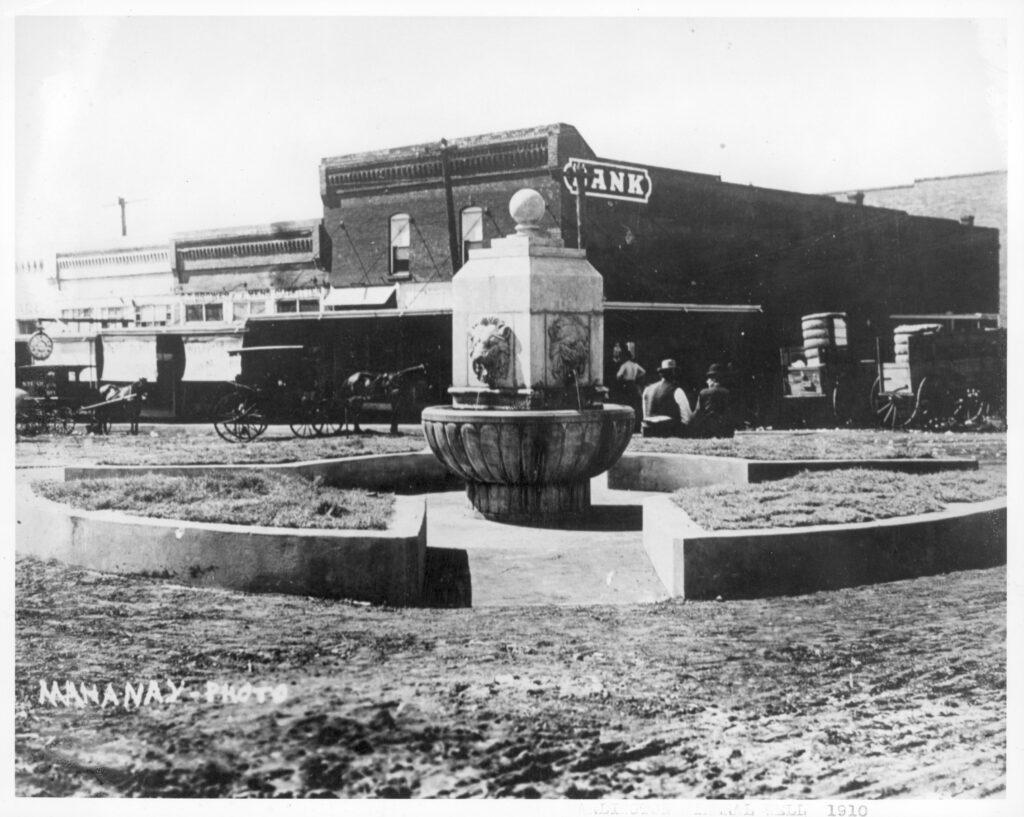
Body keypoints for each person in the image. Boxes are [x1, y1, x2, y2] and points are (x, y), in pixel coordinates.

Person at [641, 358, 693, 437]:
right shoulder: (677, 390)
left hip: (648, 429)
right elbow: (687, 418)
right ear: (675, 373)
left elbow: (645, 415)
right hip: (667, 430)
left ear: (661, 373)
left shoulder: (647, 389)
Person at [690, 363, 737, 438]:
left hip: (707, 431)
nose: (707, 381)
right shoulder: (727, 393)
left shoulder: (703, 393)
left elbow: (697, 413)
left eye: (708, 379)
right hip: (724, 430)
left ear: (713, 379)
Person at [615, 349, 646, 431]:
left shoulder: (624, 365)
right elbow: (643, 372)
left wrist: (621, 379)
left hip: (627, 385)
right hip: (634, 384)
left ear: (625, 356)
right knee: (635, 405)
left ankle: (627, 426)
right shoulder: (635, 365)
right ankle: (636, 425)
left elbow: (618, 375)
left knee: (626, 405)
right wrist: (637, 377)